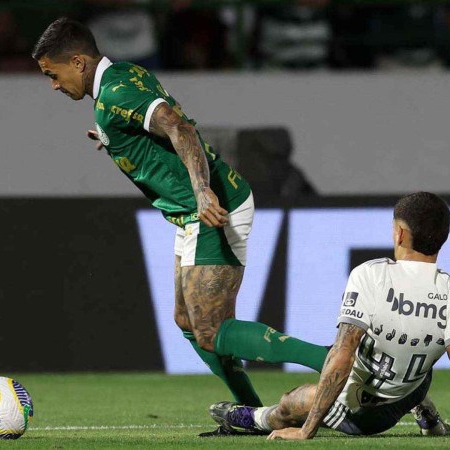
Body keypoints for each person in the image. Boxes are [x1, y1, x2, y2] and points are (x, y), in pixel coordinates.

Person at [31, 17, 331, 436]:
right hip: (191, 210)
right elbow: (148, 124)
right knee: (187, 321)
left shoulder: (117, 90)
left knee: (209, 330)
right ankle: (252, 415)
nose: (53, 85)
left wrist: (203, 191)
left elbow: (180, 128)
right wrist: (111, 137)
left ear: (77, 63)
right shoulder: (121, 79)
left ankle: (332, 358)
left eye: (53, 74)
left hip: (209, 206)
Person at [209, 192, 450, 440]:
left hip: (362, 416)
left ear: (400, 234)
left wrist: (307, 429)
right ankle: (423, 407)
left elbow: (343, 354)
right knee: (406, 354)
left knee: (291, 403)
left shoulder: (371, 274)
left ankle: (251, 418)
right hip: (413, 387)